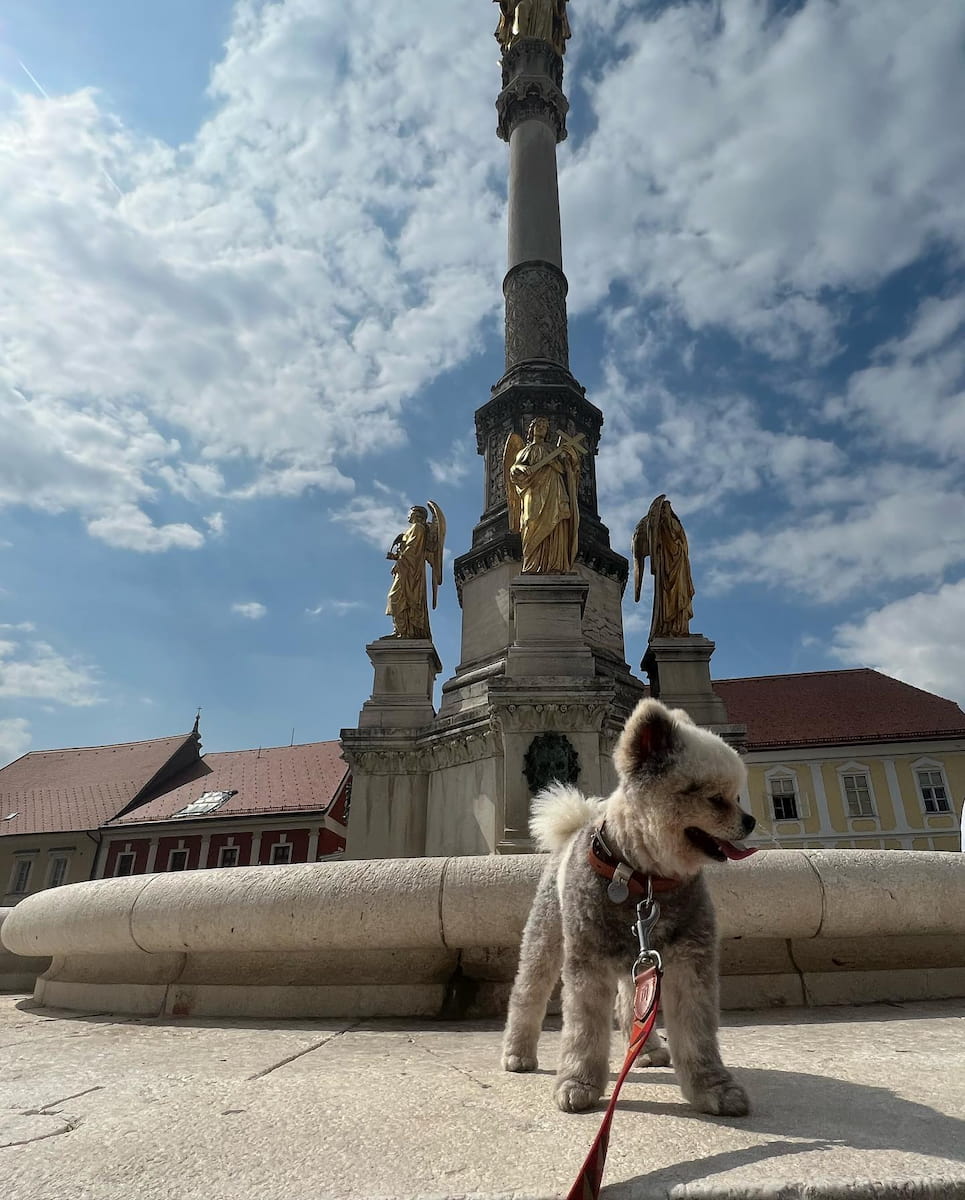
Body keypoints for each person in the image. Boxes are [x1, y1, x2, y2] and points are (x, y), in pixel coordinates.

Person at [505, 417, 581, 574]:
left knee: (556, 523)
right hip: (533, 491)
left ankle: (555, 564)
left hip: (554, 489)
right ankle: (532, 565)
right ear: (531, 429)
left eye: (544, 426)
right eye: (537, 425)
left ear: (547, 431)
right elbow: (513, 470)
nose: (540, 428)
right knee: (530, 521)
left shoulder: (553, 450)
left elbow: (569, 469)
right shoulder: (525, 451)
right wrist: (519, 469)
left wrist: (570, 457)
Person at [632, 494, 695, 640]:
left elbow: (680, 539)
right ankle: (668, 627)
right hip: (666, 567)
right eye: (664, 509)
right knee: (666, 597)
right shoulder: (660, 528)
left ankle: (678, 627)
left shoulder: (673, 524)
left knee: (679, 595)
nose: (666, 512)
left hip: (677, 565)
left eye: (667, 509)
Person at [385, 503, 445, 639]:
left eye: (410, 512)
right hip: (406, 569)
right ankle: (401, 630)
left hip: (411, 573)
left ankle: (406, 630)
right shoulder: (412, 529)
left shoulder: (418, 528)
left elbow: (413, 550)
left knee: (395, 597)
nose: (408, 514)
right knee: (397, 598)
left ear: (417, 515)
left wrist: (399, 561)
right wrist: (396, 557)